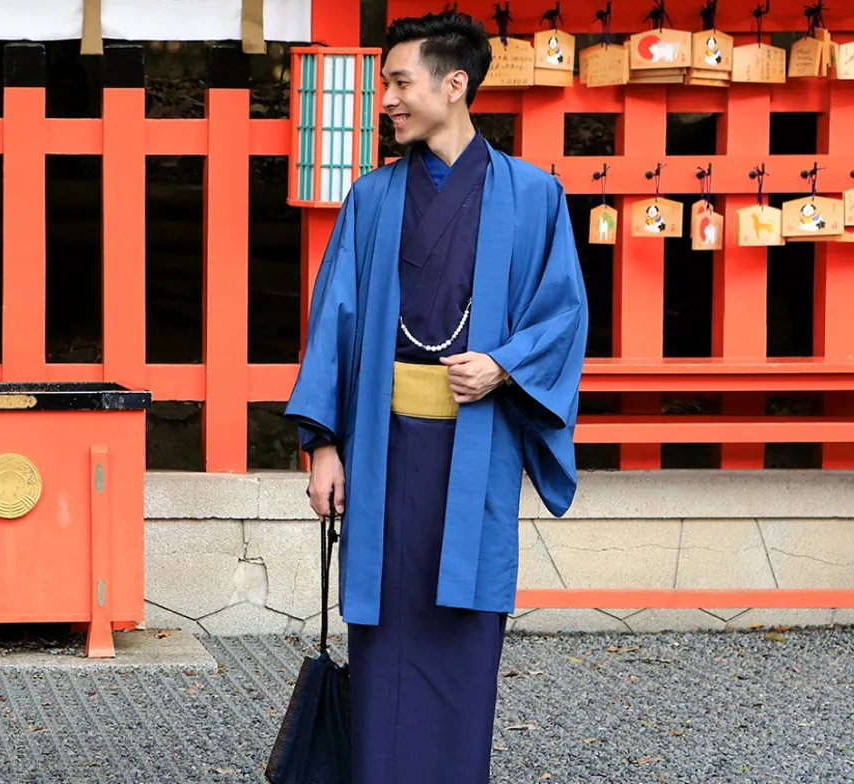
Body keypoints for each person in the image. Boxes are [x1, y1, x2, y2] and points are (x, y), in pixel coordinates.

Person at [284, 10, 589, 783]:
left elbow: (564, 311)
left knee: (462, 623)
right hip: (382, 445)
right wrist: (323, 444)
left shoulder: (533, 195)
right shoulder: (373, 198)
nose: (386, 98)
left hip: (475, 445)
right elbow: (334, 321)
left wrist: (506, 366)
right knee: (383, 629)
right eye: (386, 83)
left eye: (398, 82)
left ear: (454, 86)